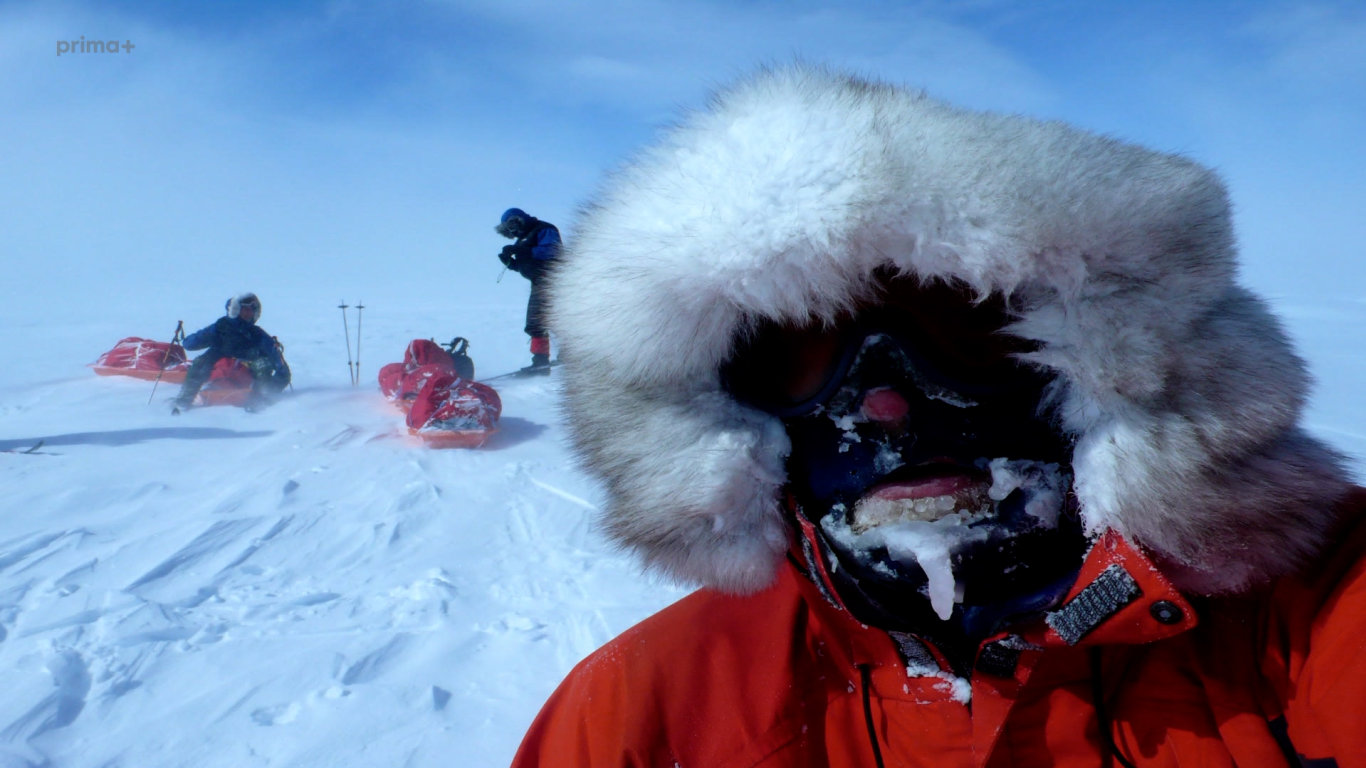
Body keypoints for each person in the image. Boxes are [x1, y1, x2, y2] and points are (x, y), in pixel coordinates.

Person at [511, 66, 1366, 767]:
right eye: (799, 358)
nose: (884, 404)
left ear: (1100, 368)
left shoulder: (1302, 620)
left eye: (965, 321)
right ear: (730, 419)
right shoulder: (641, 720)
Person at [172, 292, 290, 412]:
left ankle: (261, 400)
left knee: (263, 365)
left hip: (247, 364)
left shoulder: (257, 334)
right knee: (200, 363)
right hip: (220, 360)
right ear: (235, 310)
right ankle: (184, 400)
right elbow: (190, 344)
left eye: (251, 310)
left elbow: (281, 368)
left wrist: (275, 386)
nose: (248, 313)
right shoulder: (220, 328)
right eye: (245, 309)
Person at [495, 207, 561, 373]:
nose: (513, 231)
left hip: (555, 280)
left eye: (512, 226)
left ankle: (570, 354)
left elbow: (552, 250)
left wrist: (523, 250)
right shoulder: (522, 239)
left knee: (558, 319)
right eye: (509, 230)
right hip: (539, 282)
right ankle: (540, 361)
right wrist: (512, 264)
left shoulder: (544, 229)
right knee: (535, 322)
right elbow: (528, 264)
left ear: (518, 220)